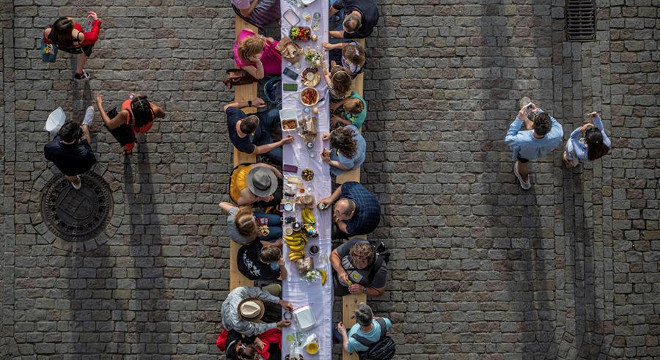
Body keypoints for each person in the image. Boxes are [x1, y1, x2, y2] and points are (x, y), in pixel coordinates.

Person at [504, 101, 563, 190]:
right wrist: (538, 111)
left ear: (533, 125)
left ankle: (525, 181)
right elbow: (554, 122)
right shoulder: (558, 132)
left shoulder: (521, 139)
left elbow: (508, 138)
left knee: (522, 165)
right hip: (543, 149)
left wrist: (519, 119)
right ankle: (525, 119)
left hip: (526, 153)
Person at [223, 98, 293, 164]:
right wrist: (280, 142)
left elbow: (226, 107)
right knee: (284, 158)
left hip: (263, 120)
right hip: (262, 140)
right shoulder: (243, 145)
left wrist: (251, 103)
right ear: (253, 132)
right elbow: (258, 150)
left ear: (242, 119)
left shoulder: (235, 115)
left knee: (283, 110)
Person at [96, 93, 166, 155]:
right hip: (146, 126)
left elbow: (109, 125)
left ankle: (128, 150)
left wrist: (99, 105)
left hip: (133, 129)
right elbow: (163, 114)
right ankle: (139, 135)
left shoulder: (126, 114)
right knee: (141, 131)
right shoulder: (155, 110)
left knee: (130, 141)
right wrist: (146, 103)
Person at [44, 107, 96, 189]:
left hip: (66, 169)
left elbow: (48, 156)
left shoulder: (50, 146)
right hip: (81, 167)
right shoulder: (85, 151)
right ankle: (86, 125)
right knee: (85, 132)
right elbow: (92, 161)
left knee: (70, 176)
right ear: (77, 138)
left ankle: (76, 183)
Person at [43, 12, 102, 80]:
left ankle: (48, 51)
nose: (71, 19)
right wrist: (96, 21)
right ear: (71, 30)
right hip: (75, 48)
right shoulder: (79, 36)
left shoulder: (47, 32)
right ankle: (79, 73)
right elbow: (93, 37)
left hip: (60, 45)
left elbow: (47, 40)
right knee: (87, 47)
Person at [221, 285, 293, 337]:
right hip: (231, 321)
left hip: (235, 308)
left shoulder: (238, 292)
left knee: (277, 288)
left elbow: (258, 292)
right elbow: (257, 329)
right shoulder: (240, 324)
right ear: (251, 319)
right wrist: (277, 324)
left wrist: (279, 301)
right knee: (275, 329)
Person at [217, 328, 282, 360]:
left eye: (241, 345)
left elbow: (244, 329)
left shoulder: (233, 335)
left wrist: (255, 339)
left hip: (261, 343)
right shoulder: (233, 357)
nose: (242, 345)